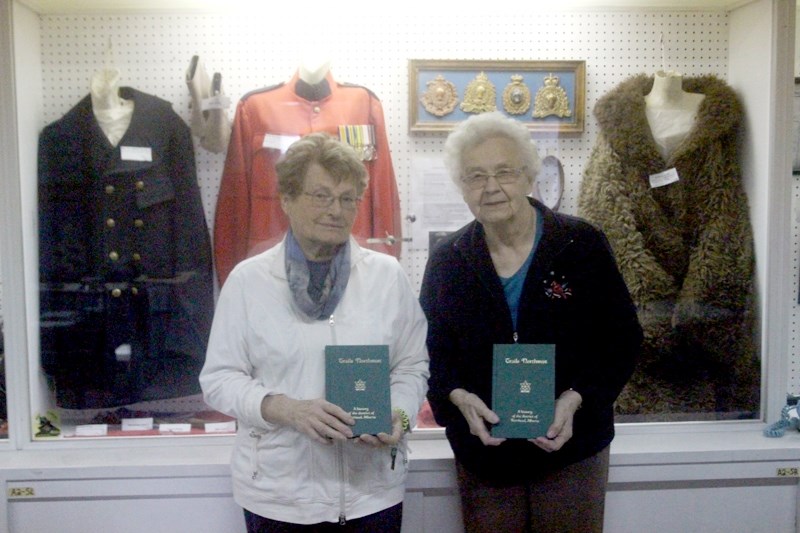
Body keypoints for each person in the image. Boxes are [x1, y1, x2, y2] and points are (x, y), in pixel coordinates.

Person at [419, 111, 642, 532]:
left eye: (504, 171)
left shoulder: (581, 244)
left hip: (573, 446)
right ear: (461, 186)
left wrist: (577, 398)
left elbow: (622, 339)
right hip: (486, 452)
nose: (491, 187)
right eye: (475, 176)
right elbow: (431, 353)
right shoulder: (448, 260)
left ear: (528, 175)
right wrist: (457, 397)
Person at [200, 132, 429, 532]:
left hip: (371, 492)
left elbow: (412, 367)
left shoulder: (387, 277)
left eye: (347, 198)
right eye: (320, 195)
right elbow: (218, 379)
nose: (335, 210)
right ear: (287, 199)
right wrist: (283, 408)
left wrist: (401, 415)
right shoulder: (249, 281)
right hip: (280, 496)